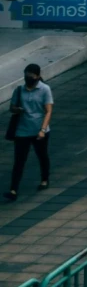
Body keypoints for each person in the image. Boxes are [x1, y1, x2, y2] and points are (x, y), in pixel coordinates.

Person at [4, 61, 51, 200]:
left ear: (37, 76)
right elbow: (12, 107)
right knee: (19, 161)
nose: (28, 79)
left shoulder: (44, 89)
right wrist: (17, 109)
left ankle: (45, 179)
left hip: (39, 130)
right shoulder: (19, 90)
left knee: (42, 156)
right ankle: (13, 189)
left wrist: (43, 129)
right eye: (26, 76)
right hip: (22, 131)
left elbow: (48, 111)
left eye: (31, 76)